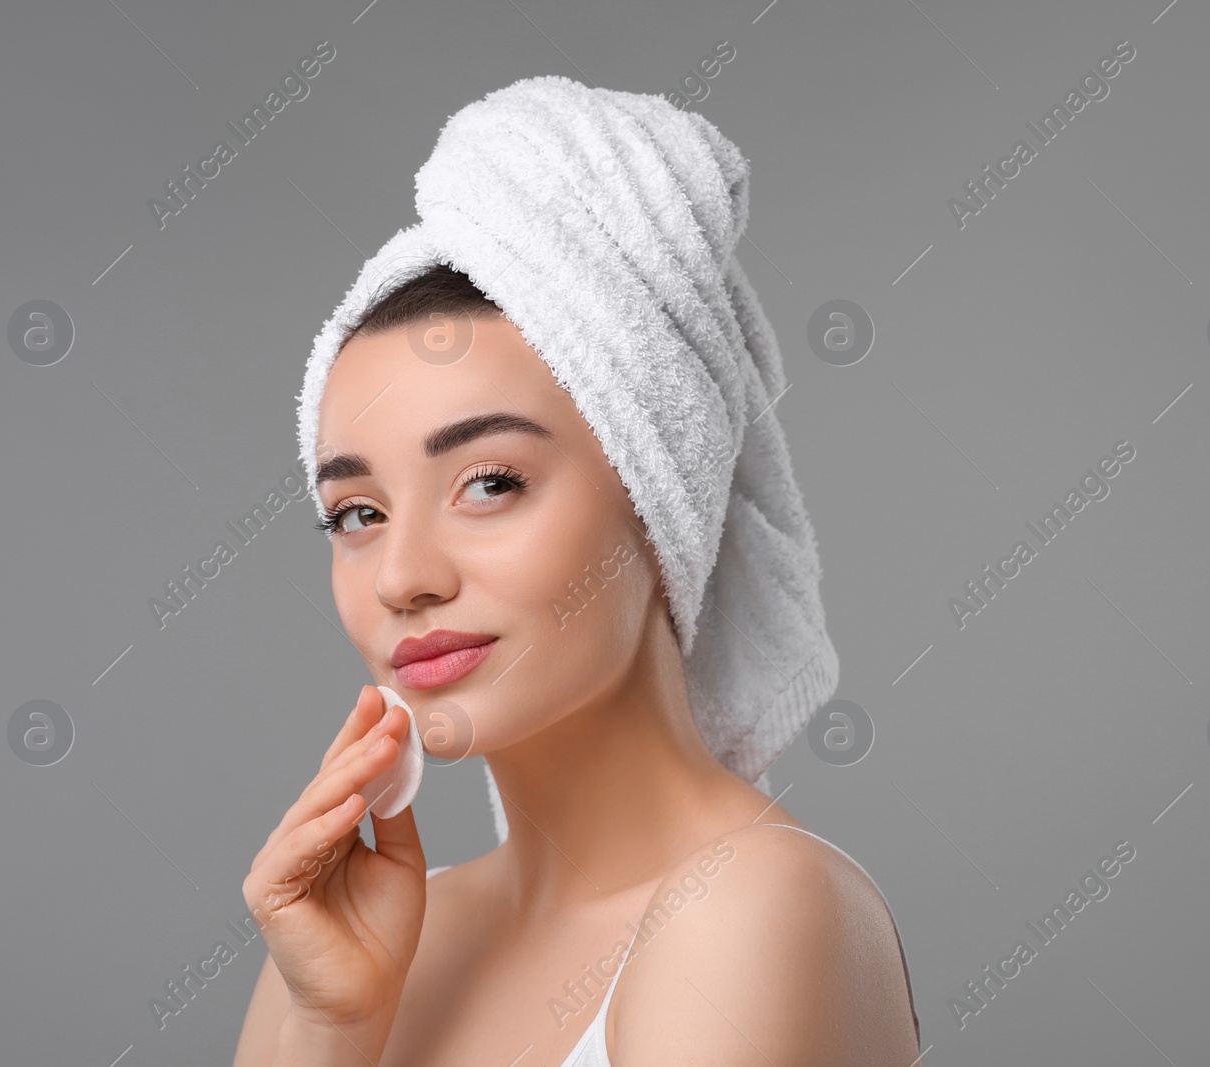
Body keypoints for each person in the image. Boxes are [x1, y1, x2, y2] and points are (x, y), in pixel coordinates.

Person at [234, 77, 920, 1066]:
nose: (403, 576)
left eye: (490, 482)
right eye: (358, 512)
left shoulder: (753, 906)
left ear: (657, 500)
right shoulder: (359, 951)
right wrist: (329, 1027)